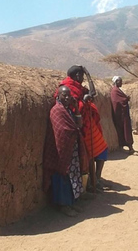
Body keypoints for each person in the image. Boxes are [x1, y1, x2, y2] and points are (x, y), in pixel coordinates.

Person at [55, 65, 109, 192]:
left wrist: (89, 76)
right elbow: (72, 107)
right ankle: (90, 183)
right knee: (87, 155)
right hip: (79, 126)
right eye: (82, 76)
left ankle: (97, 178)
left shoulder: (78, 87)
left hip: (87, 122)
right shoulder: (67, 87)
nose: (83, 78)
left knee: (102, 150)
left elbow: (92, 93)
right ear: (77, 75)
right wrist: (83, 102)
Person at [43, 85, 89, 217]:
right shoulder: (57, 111)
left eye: (69, 95)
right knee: (62, 177)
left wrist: (76, 108)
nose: (68, 97)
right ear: (58, 96)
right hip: (61, 151)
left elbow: (79, 124)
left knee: (72, 177)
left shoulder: (68, 110)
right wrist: (75, 131)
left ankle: (71, 202)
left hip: (71, 150)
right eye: (65, 95)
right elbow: (63, 131)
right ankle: (63, 205)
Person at [110, 76, 135, 154]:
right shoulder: (114, 91)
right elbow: (116, 101)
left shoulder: (118, 90)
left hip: (123, 114)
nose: (121, 83)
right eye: (120, 81)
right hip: (120, 115)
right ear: (116, 82)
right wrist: (126, 99)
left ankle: (127, 146)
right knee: (125, 129)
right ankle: (128, 146)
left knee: (125, 129)